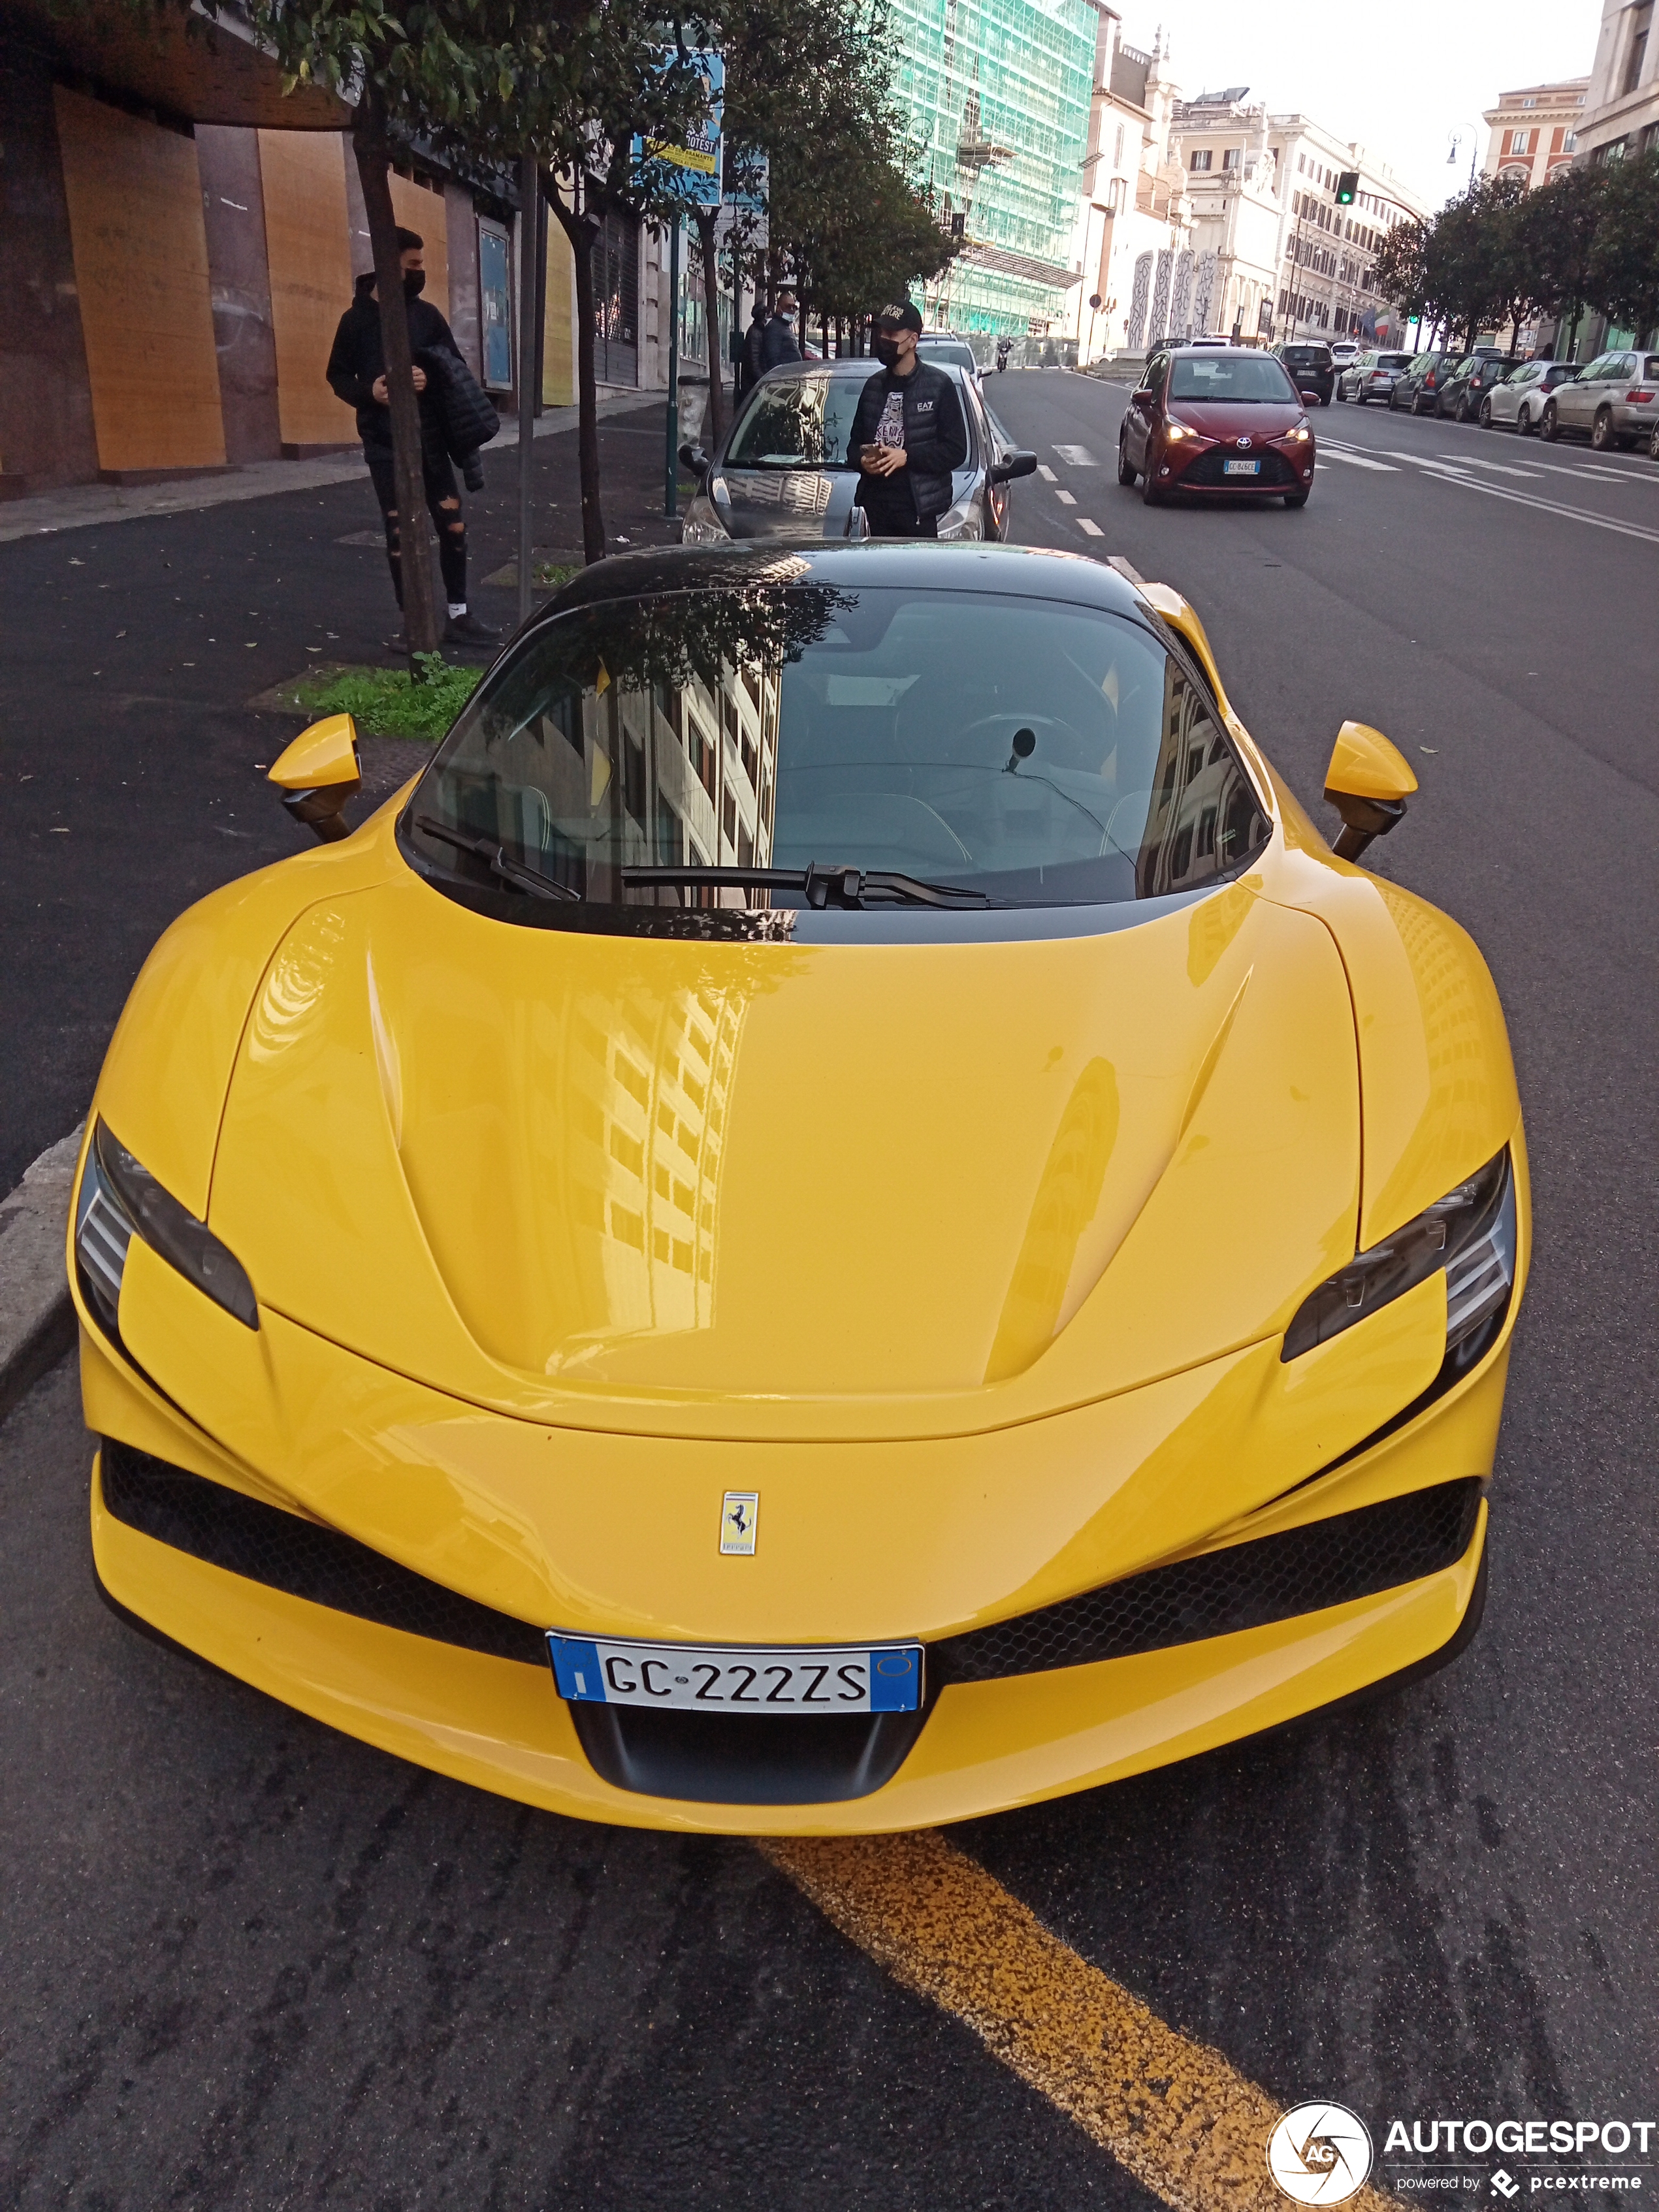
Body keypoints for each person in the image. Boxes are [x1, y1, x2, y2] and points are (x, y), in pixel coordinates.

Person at [325, 228, 498, 651]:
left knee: (453, 525)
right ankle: (413, 622)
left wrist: (429, 375)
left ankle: (458, 615)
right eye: (413, 265)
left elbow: (455, 369)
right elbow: (337, 375)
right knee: (401, 532)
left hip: (431, 441)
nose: (420, 272)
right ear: (389, 265)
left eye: (422, 264)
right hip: (385, 445)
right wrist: (370, 391)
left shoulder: (428, 317)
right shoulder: (356, 321)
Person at [848, 300, 969, 539]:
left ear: (912, 341)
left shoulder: (939, 386)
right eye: (881, 333)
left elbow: (956, 450)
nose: (883, 339)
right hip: (874, 512)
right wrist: (863, 461)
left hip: (917, 515)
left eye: (892, 333)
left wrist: (907, 457)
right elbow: (853, 446)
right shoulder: (873, 386)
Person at [758, 290, 802, 375]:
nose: (792, 310)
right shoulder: (774, 328)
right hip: (784, 380)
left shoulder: (783, 326)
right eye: (788, 306)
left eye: (794, 307)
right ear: (779, 308)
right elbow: (773, 360)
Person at [738, 300, 768, 398]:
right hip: (752, 386)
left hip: (754, 384)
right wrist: (764, 380)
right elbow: (754, 363)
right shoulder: (755, 333)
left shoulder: (759, 331)